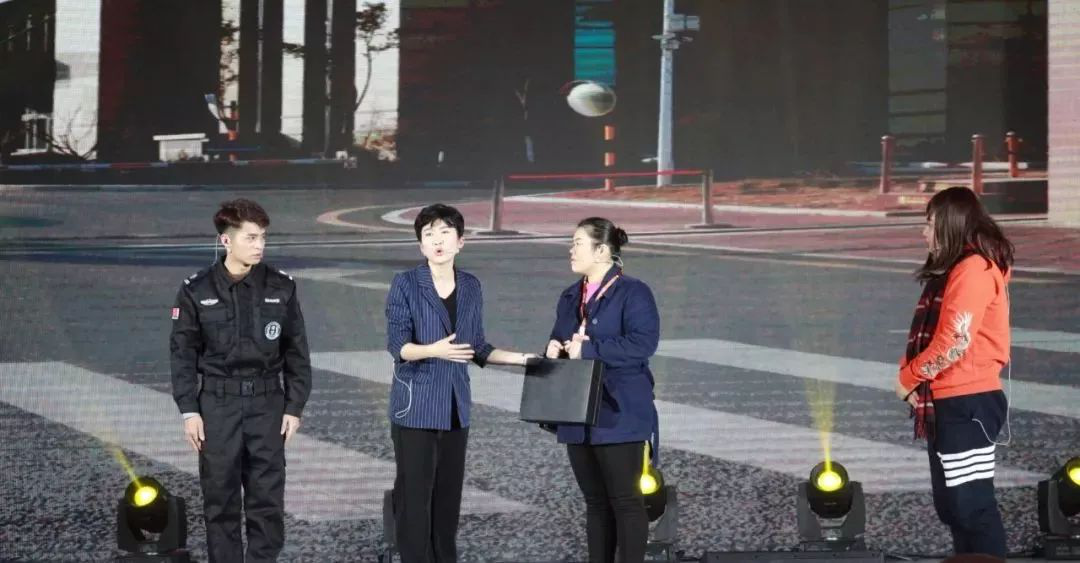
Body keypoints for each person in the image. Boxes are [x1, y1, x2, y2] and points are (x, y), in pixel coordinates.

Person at [384, 203, 536, 563]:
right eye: (429, 234)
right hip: (416, 406)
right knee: (414, 500)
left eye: (445, 233)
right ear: (421, 245)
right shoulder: (405, 283)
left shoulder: (470, 286)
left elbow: (476, 347)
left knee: (448, 501)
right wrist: (433, 350)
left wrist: (522, 359)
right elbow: (398, 346)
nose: (437, 241)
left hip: (455, 408)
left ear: (460, 241)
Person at [170, 198, 311, 563]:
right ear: (226, 240)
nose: (259, 245)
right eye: (250, 237)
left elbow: (296, 351)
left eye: (262, 237)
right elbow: (182, 354)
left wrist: (294, 407)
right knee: (220, 501)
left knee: (267, 501)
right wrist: (189, 411)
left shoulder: (281, 287)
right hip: (217, 407)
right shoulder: (196, 290)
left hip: (267, 404)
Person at [895, 186, 1014, 558]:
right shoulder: (956, 270)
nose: (924, 232)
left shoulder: (973, 269)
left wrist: (908, 378)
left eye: (930, 223)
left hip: (968, 400)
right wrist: (913, 379)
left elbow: (954, 341)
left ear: (950, 224)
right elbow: (935, 338)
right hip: (949, 399)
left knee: (971, 508)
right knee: (953, 508)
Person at [544, 217, 660, 563]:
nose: (571, 250)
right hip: (577, 411)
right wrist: (552, 348)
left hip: (619, 411)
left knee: (626, 501)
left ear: (603, 251)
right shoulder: (570, 295)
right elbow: (561, 338)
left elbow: (642, 344)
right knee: (595, 502)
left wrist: (589, 349)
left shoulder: (633, 292)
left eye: (578, 243)